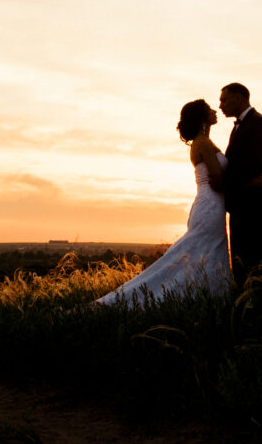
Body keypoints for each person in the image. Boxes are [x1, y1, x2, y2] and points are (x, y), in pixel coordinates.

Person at [95, 99, 232, 306]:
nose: (215, 111)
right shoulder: (202, 143)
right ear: (203, 117)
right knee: (207, 249)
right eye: (210, 109)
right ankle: (200, 296)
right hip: (210, 204)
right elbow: (217, 179)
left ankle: (207, 295)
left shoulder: (204, 141)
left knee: (207, 250)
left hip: (211, 204)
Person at [219, 83, 262, 287]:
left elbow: (253, 165)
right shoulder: (240, 126)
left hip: (254, 204)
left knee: (258, 261)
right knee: (241, 261)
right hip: (240, 203)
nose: (220, 105)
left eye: (224, 100)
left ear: (239, 97)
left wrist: (223, 182)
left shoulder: (258, 123)